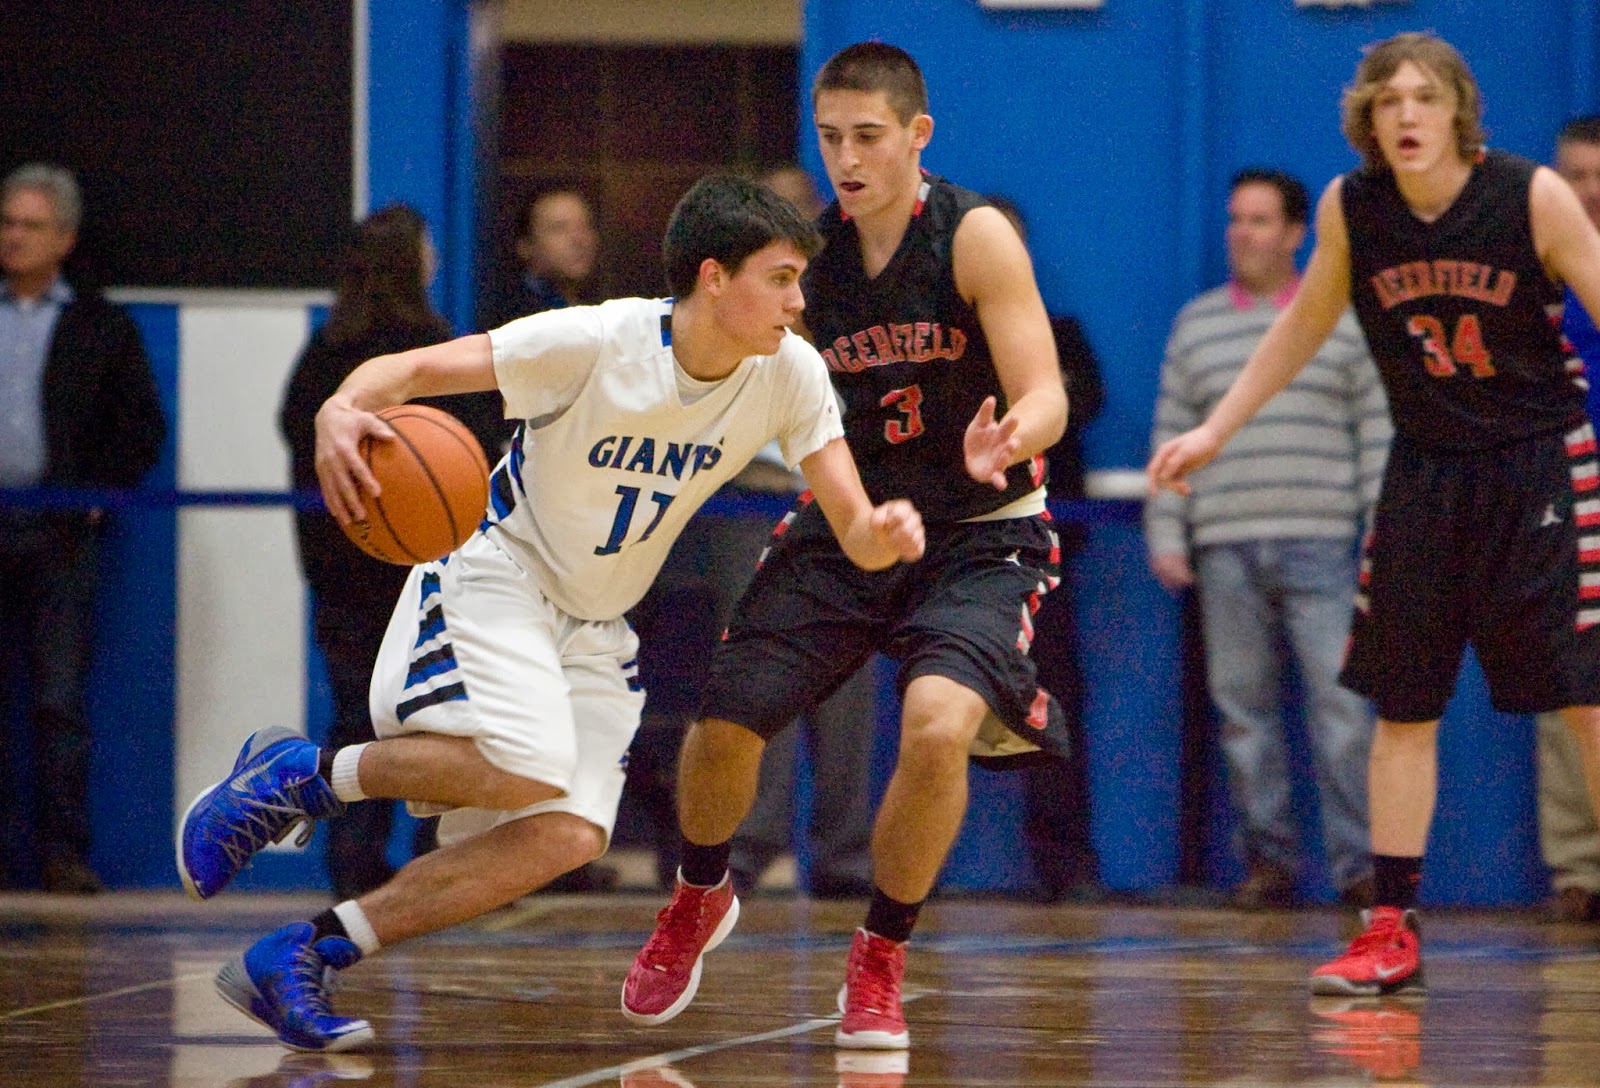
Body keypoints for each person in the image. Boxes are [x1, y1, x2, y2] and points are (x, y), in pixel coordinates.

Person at [174, 174, 925, 1052]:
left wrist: (885, 532)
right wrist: (343, 408)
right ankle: (299, 773)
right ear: (715, 278)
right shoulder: (595, 339)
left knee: (567, 834)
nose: (800, 301)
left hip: (599, 623)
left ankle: (304, 951)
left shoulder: (791, 374)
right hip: (500, 577)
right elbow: (415, 369)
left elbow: (853, 523)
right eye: (784, 276)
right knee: (529, 763)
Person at [622, 43, 1069, 1050]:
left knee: (933, 726)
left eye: (867, 136)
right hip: (848, 519)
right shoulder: (808, 264)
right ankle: (698, 892)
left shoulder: (974, 236)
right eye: (830, 138)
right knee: (726, 719)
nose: (847, 158)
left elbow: (1045, 388)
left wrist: (1015, 435)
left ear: (917, 136)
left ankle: (879, 954)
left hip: (977, 533)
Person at [1148, 33, 1600, 997]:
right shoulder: (1356, 208)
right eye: (1388, 99)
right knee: (1402, 705)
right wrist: (1214, 434)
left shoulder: (1531, 197)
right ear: (1367, 116)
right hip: (1425, 470)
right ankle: (1390, 929)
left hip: (1538, 470)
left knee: (1586, 699)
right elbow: (1301, 328)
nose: (1405, 115)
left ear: (1458, 113)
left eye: (1424, 98)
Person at [1145, 168, 1390, 911]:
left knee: (1344, 711)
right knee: (1242, 714)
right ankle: (1269, 865)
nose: (1242, 234)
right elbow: (1170, 428)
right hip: (1224, 542)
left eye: (1259, 221)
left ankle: (1363, 871)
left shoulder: (1343, 318)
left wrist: (1381, 532)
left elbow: (1377, 432)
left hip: (1323, 541)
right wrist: (1167, 532)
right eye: (1235, 220)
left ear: (1295, 234)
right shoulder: (1197, 324)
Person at [278, 204, 506, 900]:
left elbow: (298, 447)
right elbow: (478, 456)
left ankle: (353, 869)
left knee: (356, 718)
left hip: (340, 566)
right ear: (415, 263)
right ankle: (431, 870)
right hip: (421, 572)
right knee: (439, 716)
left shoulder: (323, 355)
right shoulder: (430, 353)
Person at [0, 163, 166, 894]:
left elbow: (141, 425)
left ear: (64, 238)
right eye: (6, 222)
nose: (13, 237)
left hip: (60, 534)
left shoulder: (100, 325)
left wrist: (100, 492)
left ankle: (61, 853)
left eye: (30, 225)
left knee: (57, 700)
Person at [726, 163, 877, 900]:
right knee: (759, 673)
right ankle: (753, 844)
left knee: (847, 679)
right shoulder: (738, 306)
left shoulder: (847, 302)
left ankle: (845, 853)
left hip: (837, 495)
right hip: (751, 497)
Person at [986, 192, 1108, 902]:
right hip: (961, 548)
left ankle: (1066, 861)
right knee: (941, 700)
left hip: (1046, 554)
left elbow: (1075, 408)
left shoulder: (1064, 334)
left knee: (1053, 705)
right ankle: (917, 868)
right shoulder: (949, 337)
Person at [1535, 115, 1600, 924]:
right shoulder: (1537, 272)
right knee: (1571, 684)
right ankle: (1580, 868)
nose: (1587, 190)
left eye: (1599, 174)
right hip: (1564, 492)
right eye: (1573, 174)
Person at [479, 185, 600, 329]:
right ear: (525, 245)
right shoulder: (514, 318)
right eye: (559, 228)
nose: (578, 239)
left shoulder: (598, 312)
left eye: (585, 226)